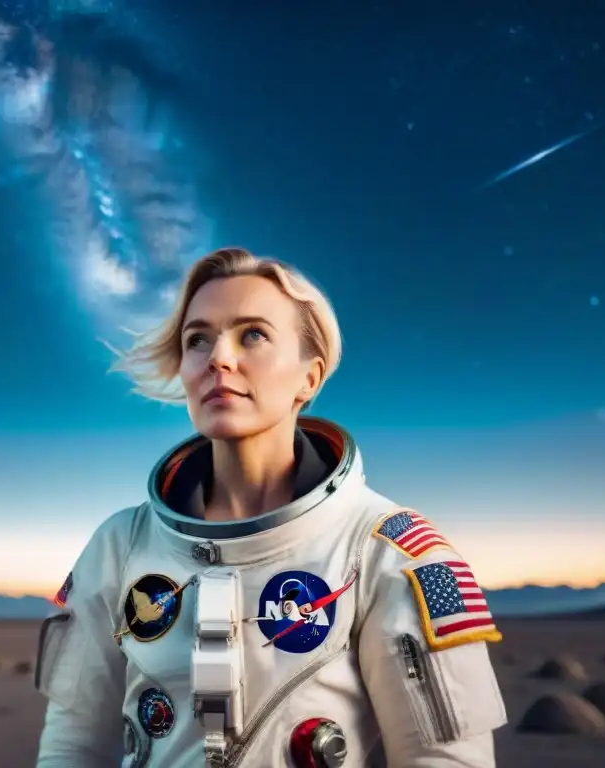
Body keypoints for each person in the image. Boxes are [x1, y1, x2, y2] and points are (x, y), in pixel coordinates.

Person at [34, 247, 507, 767]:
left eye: (253, 334)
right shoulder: (120, 545)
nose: (219, 357)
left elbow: (444, 759)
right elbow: (71, 747)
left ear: (309, 377)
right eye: (198, 340)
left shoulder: (390, 549)